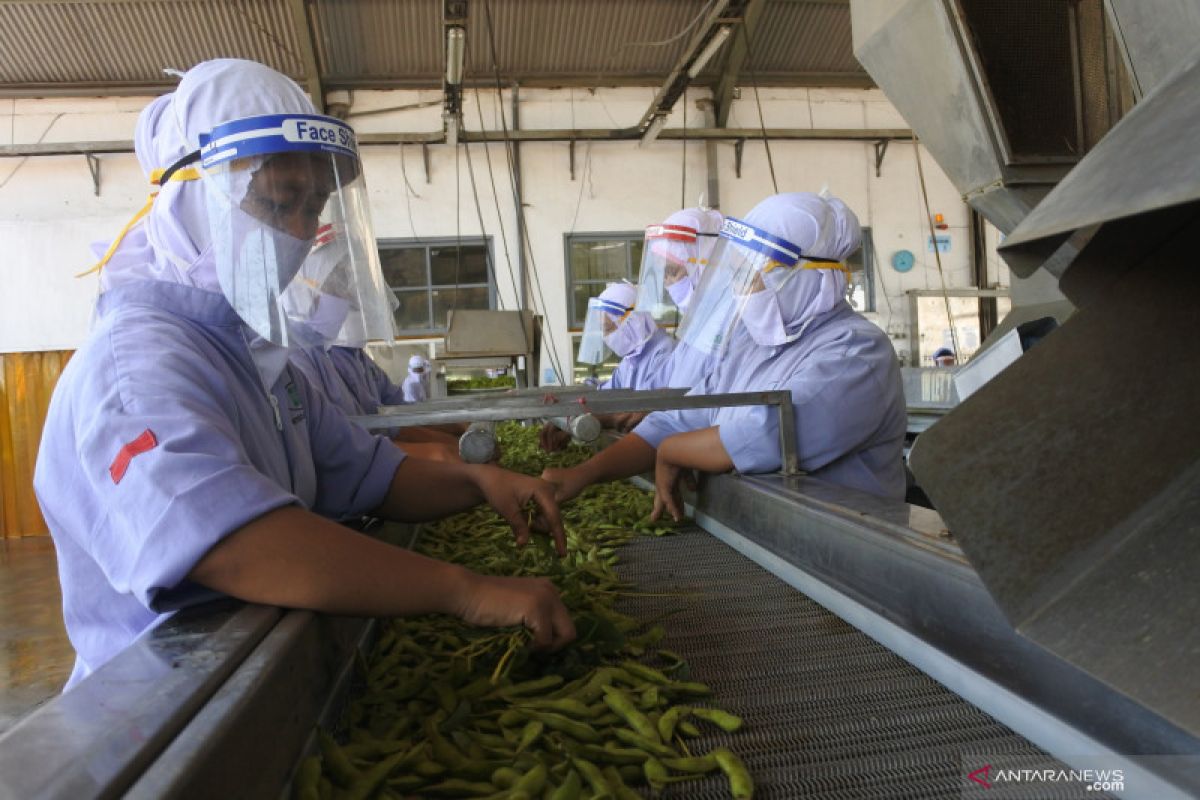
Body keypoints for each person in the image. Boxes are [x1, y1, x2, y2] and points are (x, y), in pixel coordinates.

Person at [34, 59, 573, 690]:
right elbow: (230, 543)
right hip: (154, 716)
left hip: (254, 676)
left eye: (310, 206)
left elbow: (371, 473)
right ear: (192, 197)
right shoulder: (137, 368)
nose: (295, 234)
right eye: (276, 202)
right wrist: (463, 590)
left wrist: (478, 481)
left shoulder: (258, 357)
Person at [542, 192, 907, 516]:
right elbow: (678, 420)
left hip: (848, 548)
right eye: (738, 277)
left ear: (808, 275)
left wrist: (673, 451)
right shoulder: (750, 345)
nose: (742, 291)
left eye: (753, 277)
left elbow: (765, 434)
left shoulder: (857, 350)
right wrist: (582, 475)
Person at [283, 228, 458, 458]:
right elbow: (340, 447)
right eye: (338, 281)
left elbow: (399, 415)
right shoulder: (296, 361)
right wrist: (442, 451)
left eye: (349, 280)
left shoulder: (354, 358)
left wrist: (457, 435)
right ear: (305, 287)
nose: (350, 294)